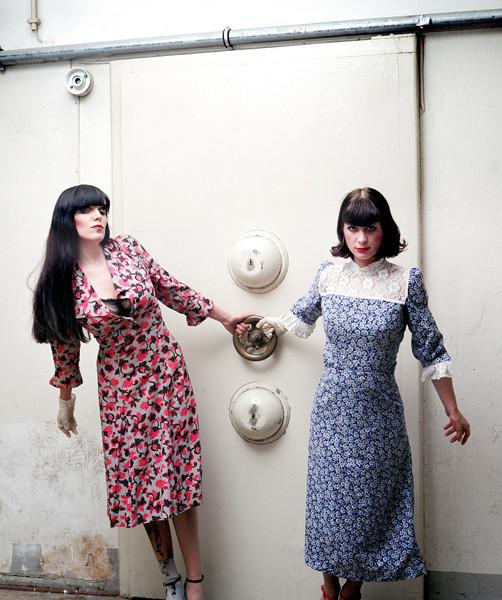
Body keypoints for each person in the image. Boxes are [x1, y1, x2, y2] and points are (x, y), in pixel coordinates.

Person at [32, 184, 249, 600]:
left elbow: (171, 288)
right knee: (144, 481)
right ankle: (170, 581)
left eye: (101, 208)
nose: (98, 216)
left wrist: (222, 316)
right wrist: (65, 402)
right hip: (120, 387)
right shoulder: (62, 279)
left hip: (166, 373)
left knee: (179, 474)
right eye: (86, 210)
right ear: (66, 220)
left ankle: (195, 583)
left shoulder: (128, 249)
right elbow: (65, 345)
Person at [257, 188, 470, 600]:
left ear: (384, 230)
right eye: (352, 228)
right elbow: (298, 315)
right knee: (329, 507)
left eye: (370, 228)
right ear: (342, 230)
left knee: (371, 507)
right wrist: (263, 326)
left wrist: (453, 410)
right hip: (331, 412)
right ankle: (329, 589)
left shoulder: (405, 281)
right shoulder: (328, 275)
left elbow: (430, 349)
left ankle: (351, 591)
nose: (361, 238)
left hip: (378, 415)